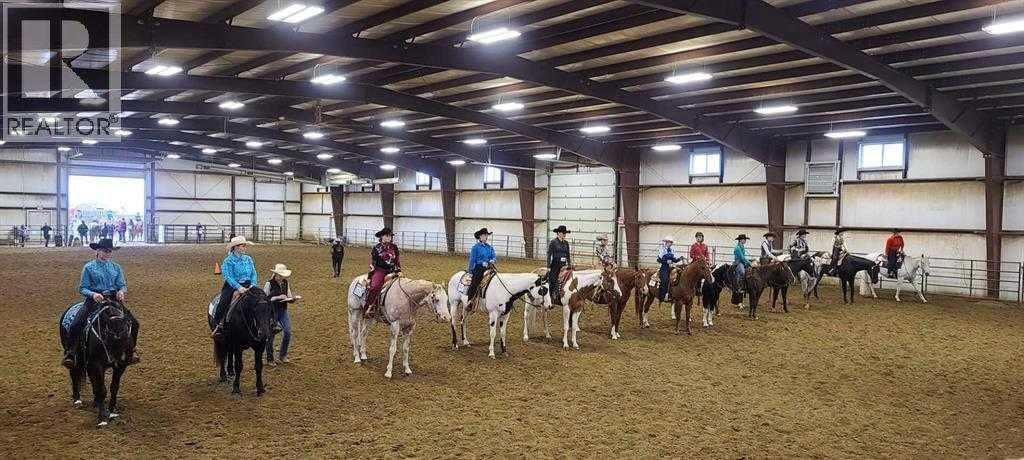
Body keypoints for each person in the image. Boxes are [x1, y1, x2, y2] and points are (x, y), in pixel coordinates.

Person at [63, 238, 139, 368]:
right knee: (76, 323)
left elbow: (122, 285)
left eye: (109, 251)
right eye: (105, 251)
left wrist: (121, 291)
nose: (107, 253)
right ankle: (71, 353)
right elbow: (83, 288)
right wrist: (93, 294)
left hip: (113, 299)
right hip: (94, 300)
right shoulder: (88, 267)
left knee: (135, 323)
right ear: (97, 251)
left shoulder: (116, 267)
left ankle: (131, 351)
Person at [211, 235, 259, 339]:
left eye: (245, 246)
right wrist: (238, 287)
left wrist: (253, 284)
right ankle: (218, 325)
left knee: (262, 300)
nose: (245, 248)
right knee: (223, 302)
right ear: (236, 247)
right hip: (232, 286)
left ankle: (267, 323)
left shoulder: (248, 259)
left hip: (249, 284)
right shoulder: (228, 261)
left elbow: (253, 273)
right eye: (243, 246)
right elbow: (228, 276)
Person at [264, 264, 300, 364]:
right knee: (270, 335)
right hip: (271, 312)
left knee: (287, 332)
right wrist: (278, 297)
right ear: (277, 274)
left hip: (282, 310)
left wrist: (292, 299)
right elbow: (264, 299)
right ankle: (270, 358)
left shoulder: (285, 283)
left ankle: (282, 355)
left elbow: (288, 296)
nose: (283, 277)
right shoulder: (269, 284)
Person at [365, 227, 401, 318]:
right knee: (375, 287)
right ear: (382, 236)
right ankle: (369, 307)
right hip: (380, 270)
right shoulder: (376, 248)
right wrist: (371, 275)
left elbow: (397, 260)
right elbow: (373, 263)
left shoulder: (394, 247)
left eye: (390, 236)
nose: (389, 237)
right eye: (387, 235)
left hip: (392, 271)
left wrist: (399, 270)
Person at [466, 228, 497, 302]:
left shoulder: (490, 247)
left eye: (486, 235)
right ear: (480, 237)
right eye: (484, 235)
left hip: (489, 267)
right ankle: (470, 300)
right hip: (479, 268)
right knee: (475, 283)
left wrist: (493, 260)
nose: (486, 237)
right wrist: (470, 271)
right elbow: (472, 260)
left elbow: (494, 256)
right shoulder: (475, 248)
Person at [547, 225, 572, 305]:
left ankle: (563, 295)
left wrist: (569, 264)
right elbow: (549, 254)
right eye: (563, 233)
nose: (564, 234)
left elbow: (568, 255)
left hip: (564, 265)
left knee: (568, 279)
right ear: (558, 233)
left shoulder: (566, 243)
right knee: (553, 280)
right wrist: (548, 266)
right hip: (555, 265)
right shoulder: (553, 242)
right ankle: (549, 297)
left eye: (565, 233)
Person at [657, 236, 683, 301]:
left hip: (671, 267)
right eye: (669, 242)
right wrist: (666, 262)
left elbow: (674, 260)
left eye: (671, 242)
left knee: (677, 278)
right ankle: (662, 295)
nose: (670, 244)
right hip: (664, 267)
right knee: (665, 280)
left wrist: (679, 259)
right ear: (666, 242)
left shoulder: (672, 250)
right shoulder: (662, 250)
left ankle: (673, 294)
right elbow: (658, 260)